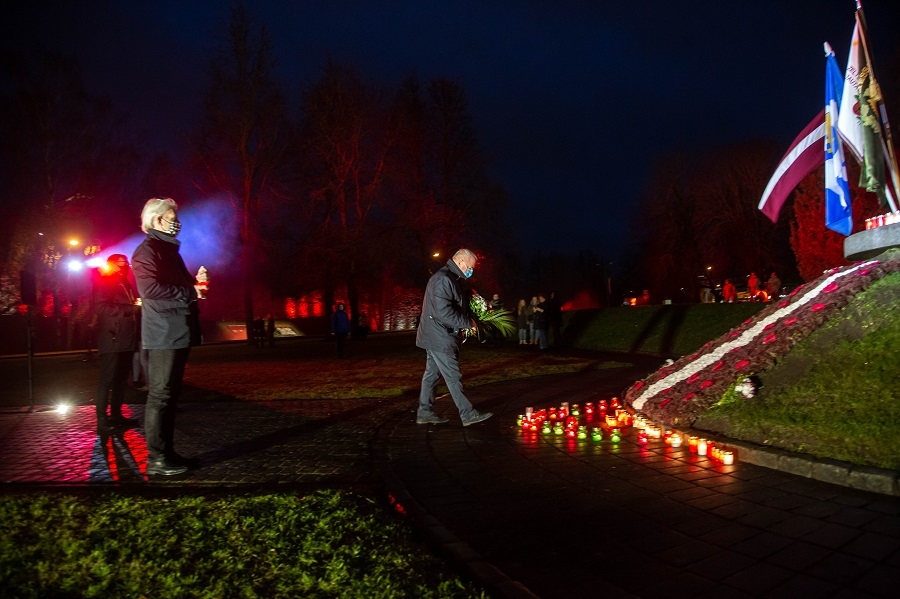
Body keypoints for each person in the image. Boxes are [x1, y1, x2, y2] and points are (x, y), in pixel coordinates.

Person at [132, 197, 204, 477]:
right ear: (157, 220)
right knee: (161, 395)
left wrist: (195, 282)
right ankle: (157, 458)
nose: (177, 223)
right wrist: (190, 292)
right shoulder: (147, 251)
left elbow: (177, 286)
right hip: (163, 332)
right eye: (172, 218)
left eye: (177, 217)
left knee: (169, 395)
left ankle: (166, 452)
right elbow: (150, 290)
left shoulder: (168, 250)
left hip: (176, 329)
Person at [415, 248, 492, 426]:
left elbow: (453, 306)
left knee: (432, 375)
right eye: (470, 268)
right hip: (439, 336)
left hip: (436, 334)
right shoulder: (442, 279)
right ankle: (468, 414)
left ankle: (425, 412)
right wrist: (468, 323)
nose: (471, 272)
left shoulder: (449, 278)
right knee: (452, 375)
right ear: (460, 261)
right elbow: (444, 312)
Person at [92, 254, 141, 434]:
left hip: (126, 337)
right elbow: (101, 307)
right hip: (112, 337)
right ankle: (102, 420)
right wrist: (131, 309)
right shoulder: (105, 281)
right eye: (123, 263)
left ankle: (116, 415)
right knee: (107, 379)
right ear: (113, 264)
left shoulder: (124, 282)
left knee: (121, 379)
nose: (127, 265)